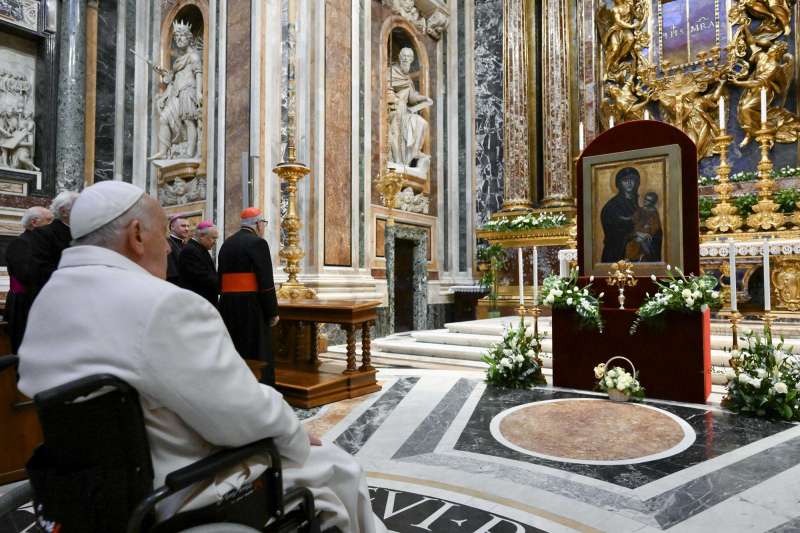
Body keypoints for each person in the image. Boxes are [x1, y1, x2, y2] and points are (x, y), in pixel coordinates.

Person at [17, 182, 386, 532]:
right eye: (164, 235)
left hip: (86, 488)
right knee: (338, 466)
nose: (168, 249)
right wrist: (293, 433)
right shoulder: (164, 304)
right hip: (177, 486)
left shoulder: (49, 299)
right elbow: (238, 414)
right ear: (137, 235)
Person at [218, 208, 279, 385]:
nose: (264, 228)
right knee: (257, 348)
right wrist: (272, 311)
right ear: (258, 224)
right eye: (264, 224)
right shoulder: (258, 243)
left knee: (235, 346)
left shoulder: (227, 243)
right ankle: (262, 387)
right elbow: (265, 281)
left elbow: (220, 275)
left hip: (228, 304)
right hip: (251, 305)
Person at [5, 206, 53, 353]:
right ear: (34, 222)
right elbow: (25, 276)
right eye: (49, 220)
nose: (53, 224)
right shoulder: (21, 243)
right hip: (23, 306)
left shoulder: (41, 244)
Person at [30, 191, 78, 291]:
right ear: (64, 212)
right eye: (80, 206)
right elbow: (41, 269)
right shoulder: (43, 234)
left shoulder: (85, 233)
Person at [600, 167, 640, 263]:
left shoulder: (635, 201)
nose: (629, 183)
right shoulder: (612, 206)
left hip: (634, 252)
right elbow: (613, 231)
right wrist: (634, 234)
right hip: (616, 254)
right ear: (619, 183)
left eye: (632, 179)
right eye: (625, 180)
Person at [179, 220, 219, 306]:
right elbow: (202, 278)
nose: (215, 242)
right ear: (201, 236)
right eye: (213, 238)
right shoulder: (190, 251)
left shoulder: (199, 248)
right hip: (197, 302)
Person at [624, 191, 662, 262]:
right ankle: (630, 258)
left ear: (653, 202)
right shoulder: (640, 210)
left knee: (639, 242)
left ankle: (637, 257)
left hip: (647, 235)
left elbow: (655, 226)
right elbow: (633, 220)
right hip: (637, 232)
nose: (646, 201)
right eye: (645, 199)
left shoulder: (654, 213)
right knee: (632, 242)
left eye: (649, 200)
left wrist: (648, 233)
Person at [166, 215, 190, 285]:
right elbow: (171, 273)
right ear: (172, 227)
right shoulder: (168, 243)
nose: (187, 229)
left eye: (188, 226)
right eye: (183, 226)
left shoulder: (185, 244)